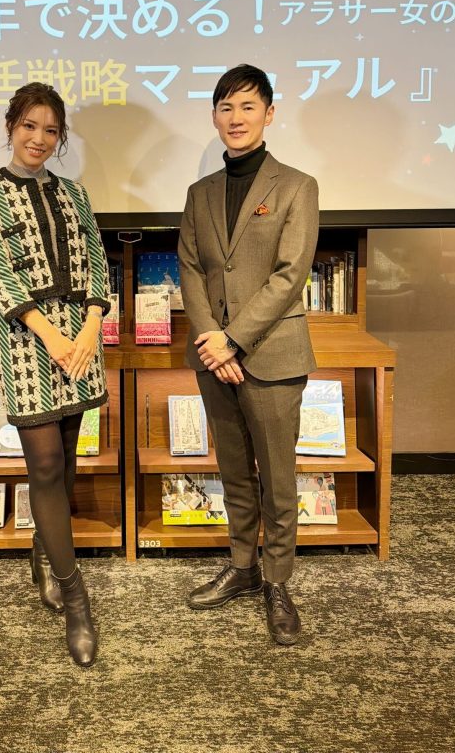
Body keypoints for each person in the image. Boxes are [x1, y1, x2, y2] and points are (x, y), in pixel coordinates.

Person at [0, 82, 110, 667]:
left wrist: (91, 326)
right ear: (11, 127)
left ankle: (43, 551)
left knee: (67, 460)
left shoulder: (74, 193)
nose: (39, 138)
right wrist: (51, 334)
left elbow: (97, 262)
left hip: (80, 340)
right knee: (45, 464)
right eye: (30, 126)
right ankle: (76, 599)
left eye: (51, 130)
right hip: (27, 340)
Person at [178, 63, 319, 646]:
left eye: (247, 106)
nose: (236, 118)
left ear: (269, 113)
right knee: (234, 471)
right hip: (215, 357)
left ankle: (278, 583)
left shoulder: (297, 186)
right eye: (225, 107)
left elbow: (290, 274)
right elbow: (191, 268)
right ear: (215, 116)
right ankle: (243, 567)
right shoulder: (200, 193)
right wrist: (214, 340)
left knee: (277, 479)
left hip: (272, 354)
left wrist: (233, 339)